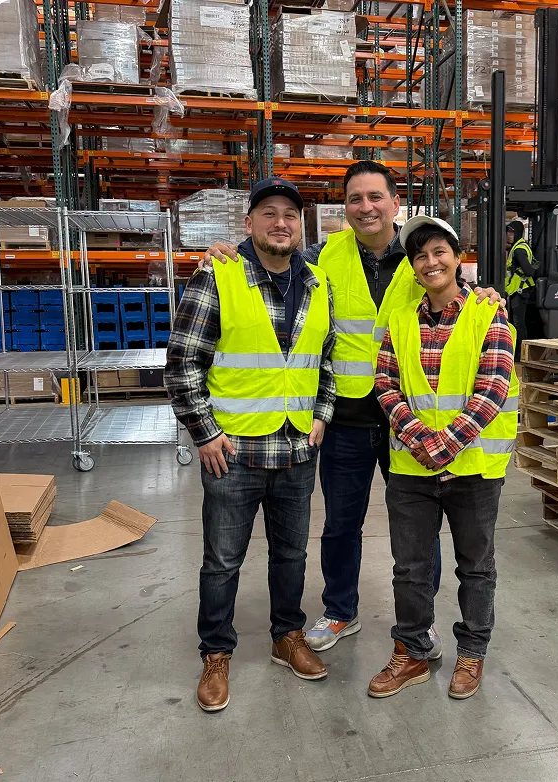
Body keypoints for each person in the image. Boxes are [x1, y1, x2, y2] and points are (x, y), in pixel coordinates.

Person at [202, 160, 504, 658]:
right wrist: (227, 251)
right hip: (344, 417)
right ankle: (341, 609)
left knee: (420, 530)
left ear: (395, 203)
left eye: (375, 197)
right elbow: (272, 255)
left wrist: (483, 292)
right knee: (341, 523)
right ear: (344, 207)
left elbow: (448, 285)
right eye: (355, 199)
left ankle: (422, 620)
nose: (366, 207)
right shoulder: (324, 254)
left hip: (408, 420)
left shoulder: (418, 254)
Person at [165, 177, 336, 712]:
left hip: (295, 449)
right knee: (222, 561)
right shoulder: (218, 275)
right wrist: (205, 432)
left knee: (291, 554)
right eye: (268, 213)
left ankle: (288, 636)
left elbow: (326, 360)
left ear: (299, 226)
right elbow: (182, 362)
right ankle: (217, 652)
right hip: (233, 453)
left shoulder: (317, 283)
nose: (280, 222)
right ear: (249, 223)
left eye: (290, 214)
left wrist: (322, 416)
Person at [368, 215, 519, 700]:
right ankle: (412, 651)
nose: (430, 262)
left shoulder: (487, 313)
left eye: (439, 252)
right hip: (411, 469)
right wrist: (419, 439)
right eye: (420, 256)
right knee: (409, 569)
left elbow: (493, 387)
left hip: (474, 469)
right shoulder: (400, 319)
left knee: (476, 567)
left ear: (457, 258)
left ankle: (471, 652)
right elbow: (385, 383)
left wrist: (444, 445)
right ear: (412, 267)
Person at [505, 220, 538, 359]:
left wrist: (518, 271)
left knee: (518, 324)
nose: (509, 235)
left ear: (518, 233)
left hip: (520, 291)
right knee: (518, 323)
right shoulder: (519, 246)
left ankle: (520, 354)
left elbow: (529, 271)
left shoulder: (519, 250)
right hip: (518, 291)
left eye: (512, 232)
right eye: (508, 232)